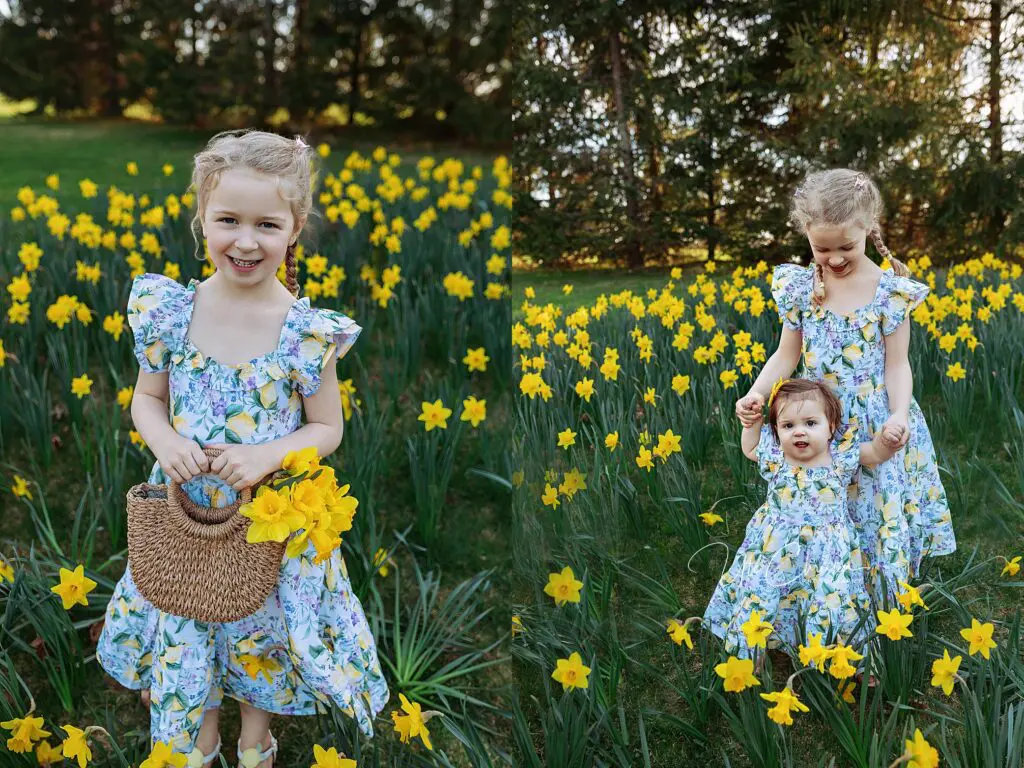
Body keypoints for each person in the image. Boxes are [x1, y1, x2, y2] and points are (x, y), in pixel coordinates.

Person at [96, 130, 389, 767]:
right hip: (185, 512)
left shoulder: (303, 333)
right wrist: (167, 440)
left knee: (260, 624)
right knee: (189, 612)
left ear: (295, 228)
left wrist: (267, 456)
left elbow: (327, 429)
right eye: (228, 220)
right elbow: (146, 400)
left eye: (267, 224)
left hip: (267, 518)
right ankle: (198, 737)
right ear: (201, 220)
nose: (246, 241)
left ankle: (254, 740)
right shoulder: (173, 311)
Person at [735, 168, 955, 606]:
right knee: (821, 512)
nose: (833, 259)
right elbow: (786, 355)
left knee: (873, 510)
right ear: (807, 237)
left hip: (874, 419)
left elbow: (898, 366)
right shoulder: (801, 288)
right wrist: (758, 394)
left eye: (846, 247)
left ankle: (879, 607)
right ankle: (818, 594)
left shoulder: (889, 292)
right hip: (818, 422)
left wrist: (897, 414)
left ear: (868, 230)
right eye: (821, 248)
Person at [704, 379, 898, 668]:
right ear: (777, 431)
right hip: (777, 549)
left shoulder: (840, 458)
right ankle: (752, 654)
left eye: (810, 422)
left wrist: (887, 440)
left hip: (828, 552)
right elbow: (750, 447)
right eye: (788, 426)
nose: (799, 432)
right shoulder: (777, 458)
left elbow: (876, 454)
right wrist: (751, 423)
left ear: (831, 427)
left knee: (835, 600)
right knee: (763, 592)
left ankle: (850, 659)